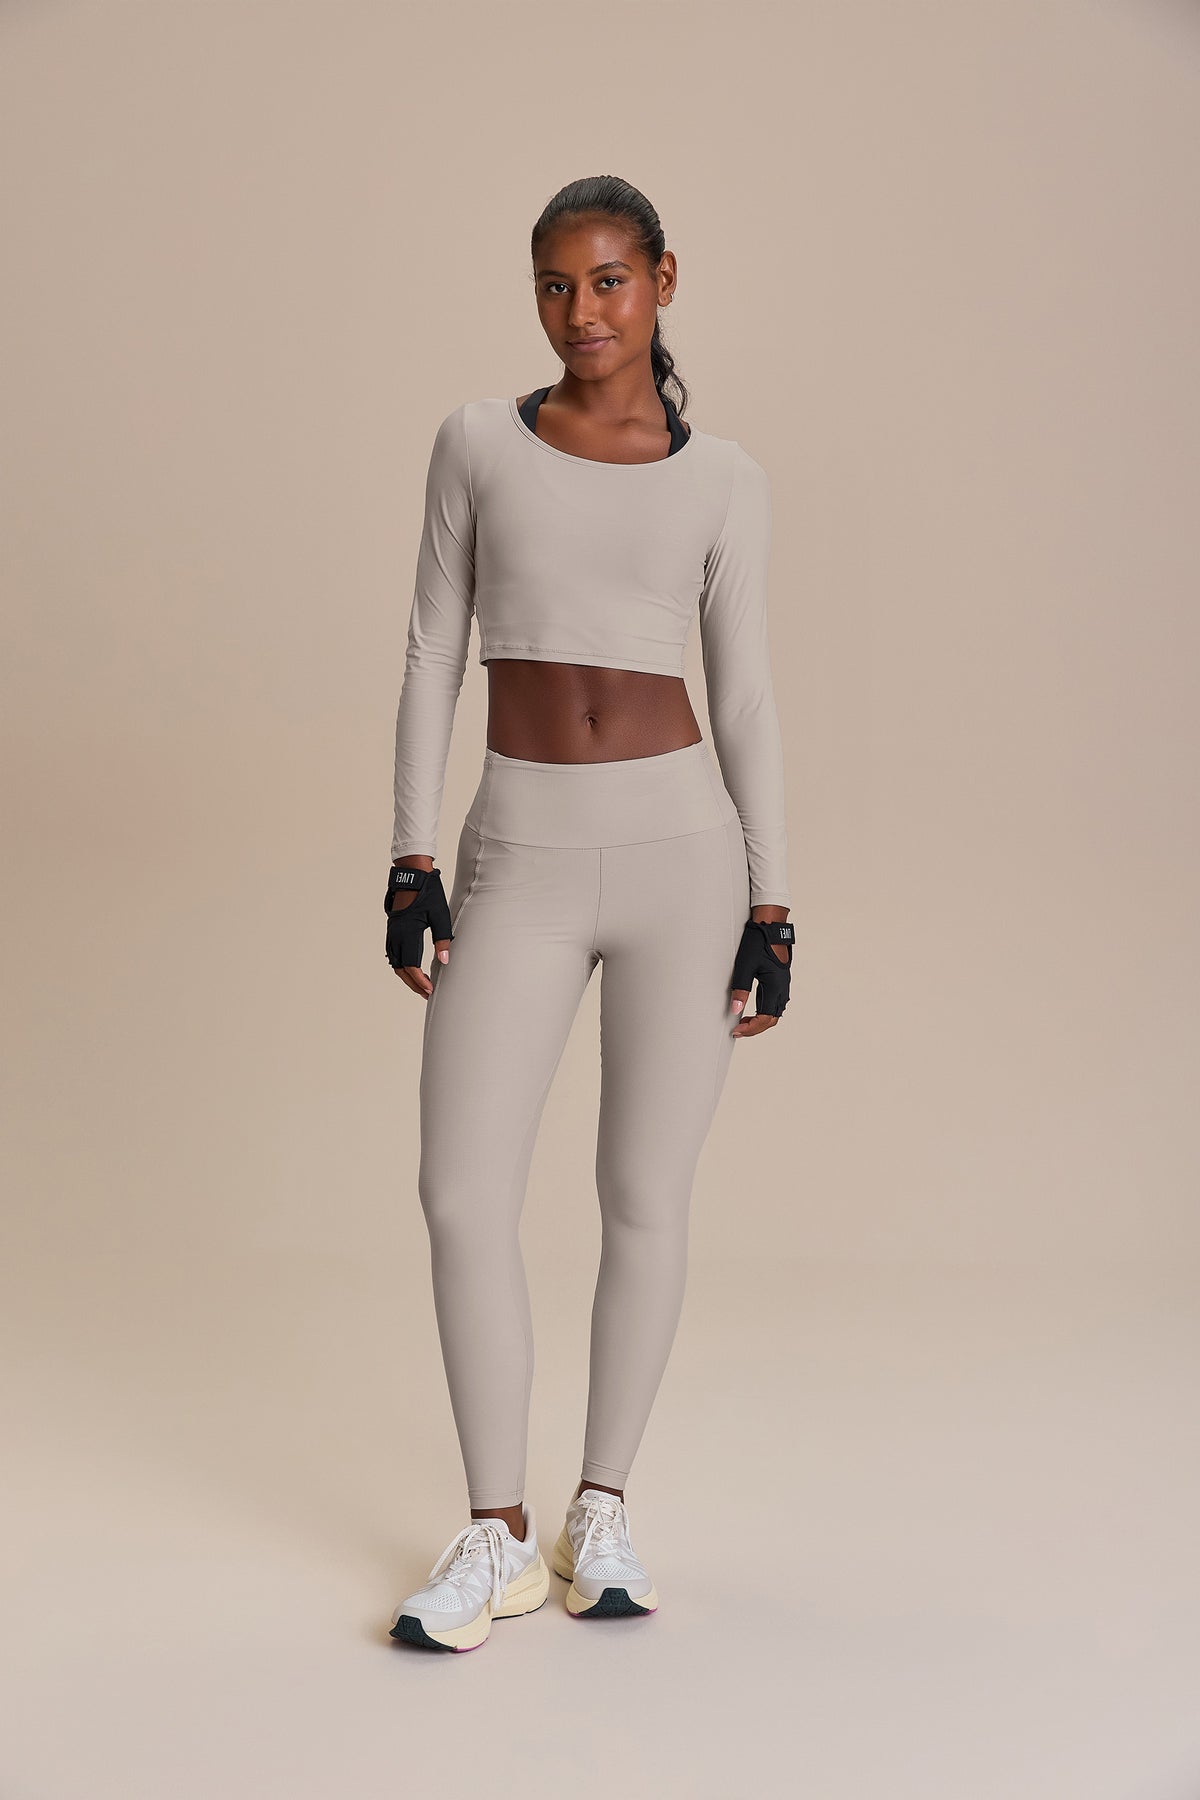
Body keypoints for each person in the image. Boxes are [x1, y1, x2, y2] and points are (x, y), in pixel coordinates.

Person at [384, 176, 794, 1652]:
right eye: (556, 286)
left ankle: (600, 1505)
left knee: (644, 1196)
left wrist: (773, 898)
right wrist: (408, 858)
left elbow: (744, 695)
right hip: (521, 850)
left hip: (685, 853)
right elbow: (433, 650)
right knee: (461, 1191)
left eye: (609, 280)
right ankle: (494, 1533)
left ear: (663, 281)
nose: (582, 312)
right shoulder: (476, 444)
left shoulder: (723, 477)